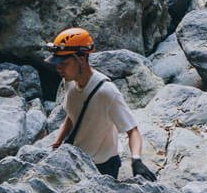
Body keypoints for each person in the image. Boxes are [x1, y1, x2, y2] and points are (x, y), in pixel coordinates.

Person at [46, 27, 155, 181]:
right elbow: (73, 114)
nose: (59, 69)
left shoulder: (107, 92)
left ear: (81, 59)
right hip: (76, 160)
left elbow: (132, 130)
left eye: (63, 63)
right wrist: (57, 143)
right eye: (57, 64)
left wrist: (136, 160)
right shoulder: (69, 82)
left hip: (103, 166)